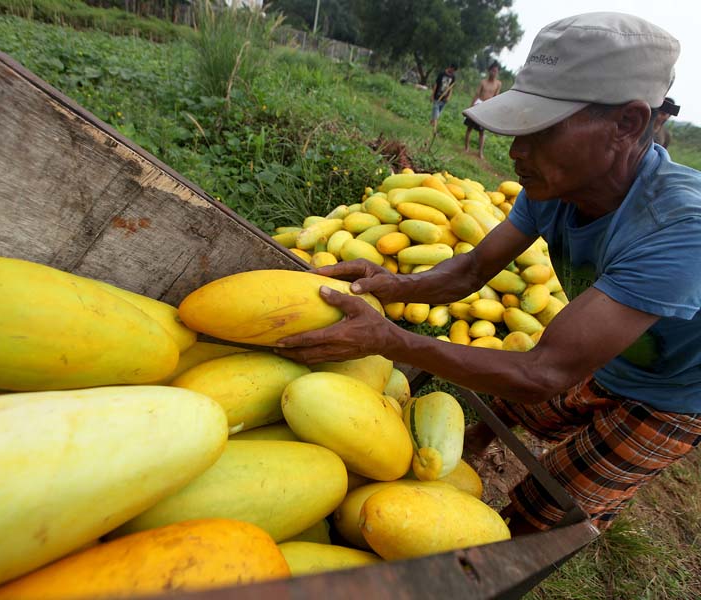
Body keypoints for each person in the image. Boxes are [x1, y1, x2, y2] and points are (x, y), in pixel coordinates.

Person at [276, 12, 701, 536]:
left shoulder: (681, 229)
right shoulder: (556, 185)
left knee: (551, 506)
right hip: (604, 351)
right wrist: (395, 285)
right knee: (522, 402)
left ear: (628, 124)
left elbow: (543, 373)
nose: (516, 151)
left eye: (541, 131)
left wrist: (388, 339)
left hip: (672, 395)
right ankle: (481, 440)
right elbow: (474, 268)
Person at [464, 61, 502, 159]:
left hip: (486, 108)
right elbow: (477, 94)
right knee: (469, 128)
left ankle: (480, 152)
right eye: (492, 71)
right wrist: (471, 107)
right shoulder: (483, 82)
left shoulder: (498, 84)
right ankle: (466, 148)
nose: (494, 73)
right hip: (478, 105)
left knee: (482, 132)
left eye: (496, 71)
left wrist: (493, 110)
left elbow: (496, 97)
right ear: (489, 71)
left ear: (497, 73)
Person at [430, 64, 458, 137]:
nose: (453, 71)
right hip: (437, 97)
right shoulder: (442, 74)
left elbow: (451, 88)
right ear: (450, 67)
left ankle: (432, 121)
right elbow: (436, 84)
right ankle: (434, 131)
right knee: (436, 115)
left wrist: (449, 97)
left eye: (454, 70)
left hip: (444, 99)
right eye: (452, 69)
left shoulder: (453, 77)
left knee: (437, 114)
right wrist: (432, 95)